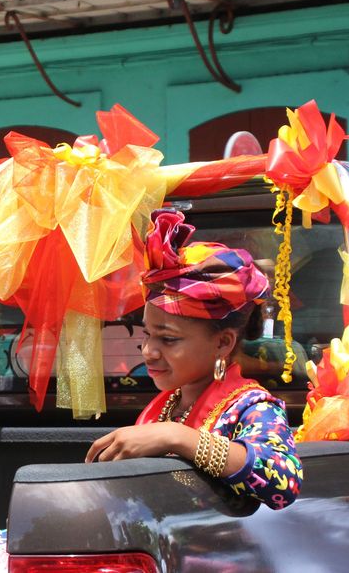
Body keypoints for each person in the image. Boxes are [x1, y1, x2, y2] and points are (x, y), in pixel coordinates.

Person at [85, 209, 303, 510]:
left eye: (168, 339)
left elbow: (282, 479)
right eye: (147, 335)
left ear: (223, 342)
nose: (148, 351)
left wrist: (176, 437)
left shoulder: (252, 406)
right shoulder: (169, 402)